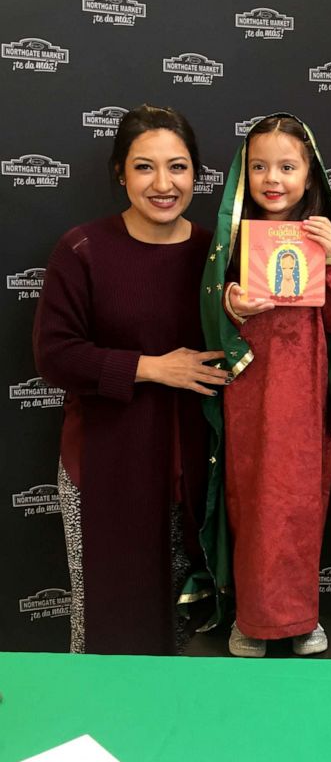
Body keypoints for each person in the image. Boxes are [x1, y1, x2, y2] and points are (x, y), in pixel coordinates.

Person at [200, 113, 331, 658]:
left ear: (310, 175)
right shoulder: (232, 238)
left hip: (305, 396)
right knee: (251, 501)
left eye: (287, 166)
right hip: (249, 396)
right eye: (260, 166)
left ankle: (297, 619)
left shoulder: (322, 233)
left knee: (297, 504)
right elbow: (210, 311)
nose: (274, 178)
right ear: (243, 175)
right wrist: (231, 304)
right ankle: (252, 620)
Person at [33, 105, 229, 655]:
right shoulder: (82, 249)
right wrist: (153, 367)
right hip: (104, 465)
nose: (163, 184)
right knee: (107, 625)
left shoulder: (219, 255)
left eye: (178, 167)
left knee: (190, 630)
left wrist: (328, 251)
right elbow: (54, 355)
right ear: (120, 172)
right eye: (145, 168)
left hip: (196, 473)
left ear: (197, 173)